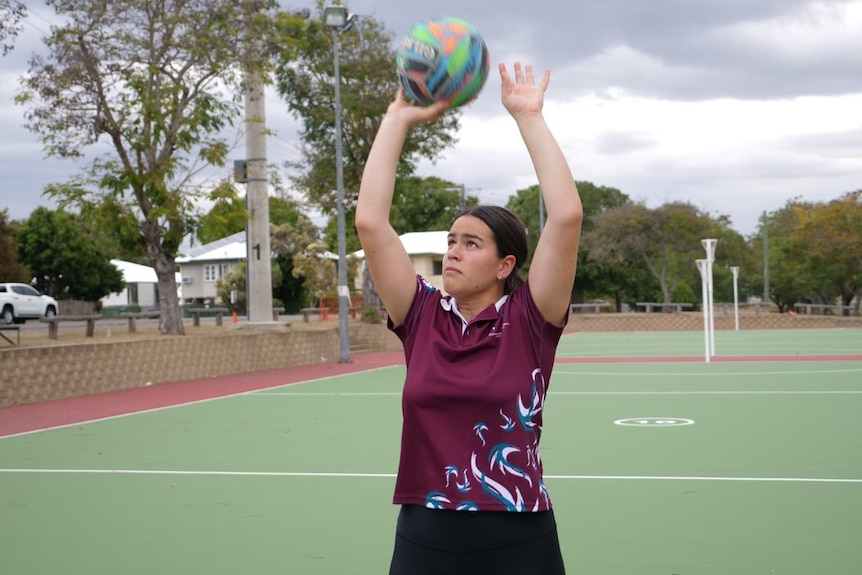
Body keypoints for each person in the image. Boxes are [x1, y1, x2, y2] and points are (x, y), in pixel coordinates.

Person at [355, 61, 583, 575]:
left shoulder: (531, 319)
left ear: (506, 266)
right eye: (451, 242)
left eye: (471, 244)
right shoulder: (421, 315)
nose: (453, 252)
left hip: (516, 534)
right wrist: (397, 116)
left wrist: (528, 116)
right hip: (424, 533)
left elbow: (566, 216)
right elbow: (370, 222)